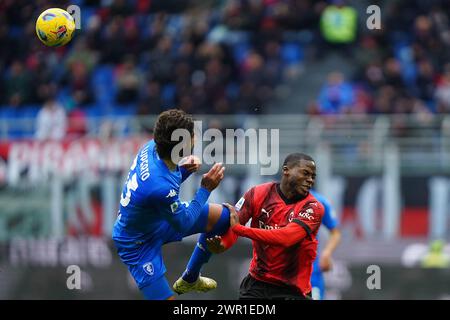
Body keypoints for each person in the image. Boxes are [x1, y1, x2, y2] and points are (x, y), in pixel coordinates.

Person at [112, 109, 231, 300]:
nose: (195, 138)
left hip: (157, 217)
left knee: (223, 218)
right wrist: (205, 189)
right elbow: (182, 222)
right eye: (192, 135)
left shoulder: (151, 147)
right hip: (137, 243)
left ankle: (191, 278)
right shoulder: (160, 187)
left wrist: (183, 171)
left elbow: (162, 186)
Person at [206, 153, 325, 300]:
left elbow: (286, 238)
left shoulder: (313, 207)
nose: (310, 180)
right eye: (305, 173)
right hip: (257, 284)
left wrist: (240, 229)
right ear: (286, 170)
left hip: (292, 290)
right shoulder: (258, 193)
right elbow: (235, 224)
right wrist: (223, 244)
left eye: (313, 176)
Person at [309, 190, 341, 300]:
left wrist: (327, 253)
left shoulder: (319, 201)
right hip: (281, 273)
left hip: (312, 274)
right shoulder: (275, 200)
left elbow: (335, 232)